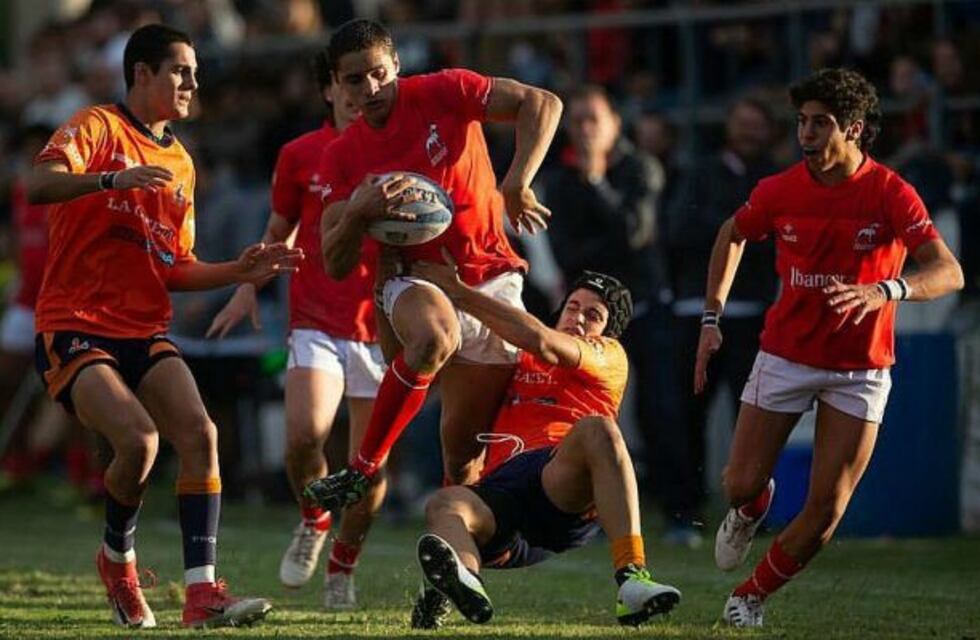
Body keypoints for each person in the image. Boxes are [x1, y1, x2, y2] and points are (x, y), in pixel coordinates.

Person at [27, 24, 301, 629]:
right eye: (180, 70)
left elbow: (174, 267)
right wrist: (109, 179)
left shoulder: (180, 161)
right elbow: (38, 184)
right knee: (140, 440)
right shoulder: (95, 127)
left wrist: (240, 269)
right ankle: (118, 560)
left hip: (143, 328)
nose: (192, 83)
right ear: (142, 73)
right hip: (75, 324)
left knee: (201, 435)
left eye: (195, 72)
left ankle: (201, 595)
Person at [696, 68, 964, 628]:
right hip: (786, 354)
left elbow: (949, 271)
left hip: (860, 369)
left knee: (826, 508)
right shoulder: (779, 189)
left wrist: (888, 289)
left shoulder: (891, 191)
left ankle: (749, 597)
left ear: (854, 129)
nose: (807, 135)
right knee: (740, 482)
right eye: (802, 122)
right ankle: (752, 507)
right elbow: (734, 232)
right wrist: (711, 316)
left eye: (821, 123)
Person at [303, 18, 563, 510]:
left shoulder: (444, 90)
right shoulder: (342, 156)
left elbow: (543, 103)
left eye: (379, 73)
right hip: (413, 278)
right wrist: (359, 213)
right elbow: (336, 263)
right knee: (433, 338)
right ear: (338, 85)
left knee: (464, 458)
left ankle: (452, 567)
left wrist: (516, 181)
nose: (371, 88)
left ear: (396, 64)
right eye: (354, 80)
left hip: (490, 274)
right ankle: (363, 467)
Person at [401, 258, 680, 628]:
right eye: (573, 307)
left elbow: (541, 339)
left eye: (592, 315)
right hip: (505, 497)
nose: (578, 318)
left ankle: (632, 579)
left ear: (607, 330)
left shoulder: (609, 355)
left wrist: (456, 289)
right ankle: (461, 583)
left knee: (599, 429)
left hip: (560, 481)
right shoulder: (517, 355)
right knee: (446, 502)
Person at [206, 49, 384, 609]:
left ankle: (342, 568)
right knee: (303, 435)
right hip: (317, 319)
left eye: (369, 82)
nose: (359, 94)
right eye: (347, 84)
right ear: (328, 90)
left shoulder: (398, 147)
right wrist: (245, 286)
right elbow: (279, 229)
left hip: (384, 327)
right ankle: (313, 519)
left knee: (369, 468)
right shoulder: (300, 154)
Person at [661, 97, 779, 546]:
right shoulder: (701, 172)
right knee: (686, 415)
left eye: (757, 124)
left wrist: (736, 232)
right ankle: (683, 513)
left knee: (752, 421)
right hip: (696, 314)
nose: (749, 133)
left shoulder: (774, 177)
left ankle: (749, 511)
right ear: (728, 125)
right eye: (742, 123)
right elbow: (681, 229)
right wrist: (743, 230)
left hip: (755, 317)